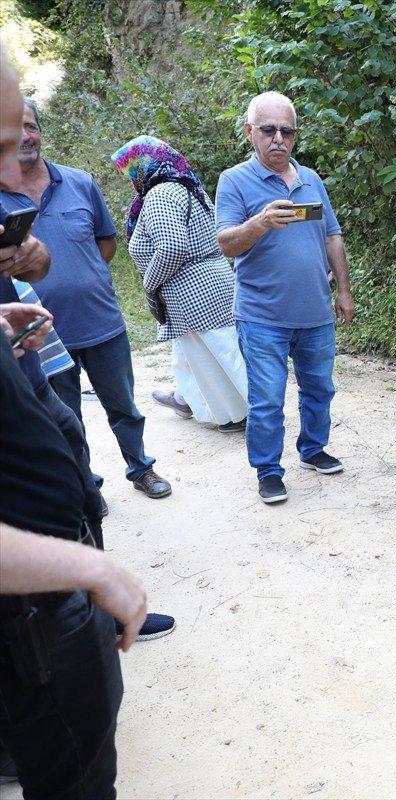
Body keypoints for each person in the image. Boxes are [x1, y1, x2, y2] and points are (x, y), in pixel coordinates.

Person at [0, 44, 149, 799]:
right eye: (0, 138)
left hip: (47, 601)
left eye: (21, 131)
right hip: (27, 612)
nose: (17, 149)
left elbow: (97, 247)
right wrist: (91, 571)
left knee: (92, 433)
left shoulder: (77, 185)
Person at [0, 96, 172, 499]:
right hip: (42, 335)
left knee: (124, 406)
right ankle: (85, 482)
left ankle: (141, 468)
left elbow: (106, 243)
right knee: (66, 419)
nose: (25, 135)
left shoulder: (78, 182)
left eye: (30, 125)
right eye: (13, 127)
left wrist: (81, 275)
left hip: (101, 321)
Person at [215, 91, 355, 504]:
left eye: (286, 131)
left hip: (315, 312)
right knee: (267, 400)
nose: (278, 138)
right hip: (262, 316)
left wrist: (344, 291)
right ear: (249, 132)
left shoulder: (311, 179)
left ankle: (312, 449)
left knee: (319, 390)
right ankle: (269, 470)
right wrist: (259, 223)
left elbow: (332, 235)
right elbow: (225, 243)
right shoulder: (234, 180)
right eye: (268, 130)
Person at [112, 135, 248, 432]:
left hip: (194, 289)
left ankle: (246, 413)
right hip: (207, 282)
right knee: (199, 353)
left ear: (142, 166)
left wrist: (150, 285)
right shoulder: (186, 186)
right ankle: (187, 398)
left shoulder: (160, 195)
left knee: (221, 355)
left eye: (128, 169)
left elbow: (173, 247)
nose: (128, 177)